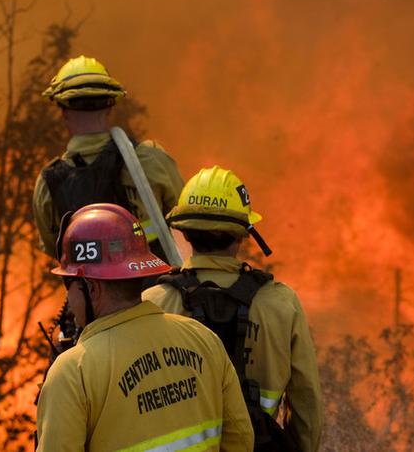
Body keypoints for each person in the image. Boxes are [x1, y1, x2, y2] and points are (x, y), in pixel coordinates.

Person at [35, 203, 254, 452]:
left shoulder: (73, 373)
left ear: (91, 287)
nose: (69, 302)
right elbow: (240, 439)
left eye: (69, 285)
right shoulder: (203, 339)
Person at [143, 166, 324, 452]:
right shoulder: (281, 304)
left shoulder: (152, 304)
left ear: (185, 233)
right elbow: (306, 401)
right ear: (242, 234)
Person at [32, 55, 183, 261]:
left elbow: (55, 249)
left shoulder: (48, 183)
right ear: (110, 106)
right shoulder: (149, 160)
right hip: (153, 280)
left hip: (86, 282)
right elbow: (185, 220)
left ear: (64, 111)